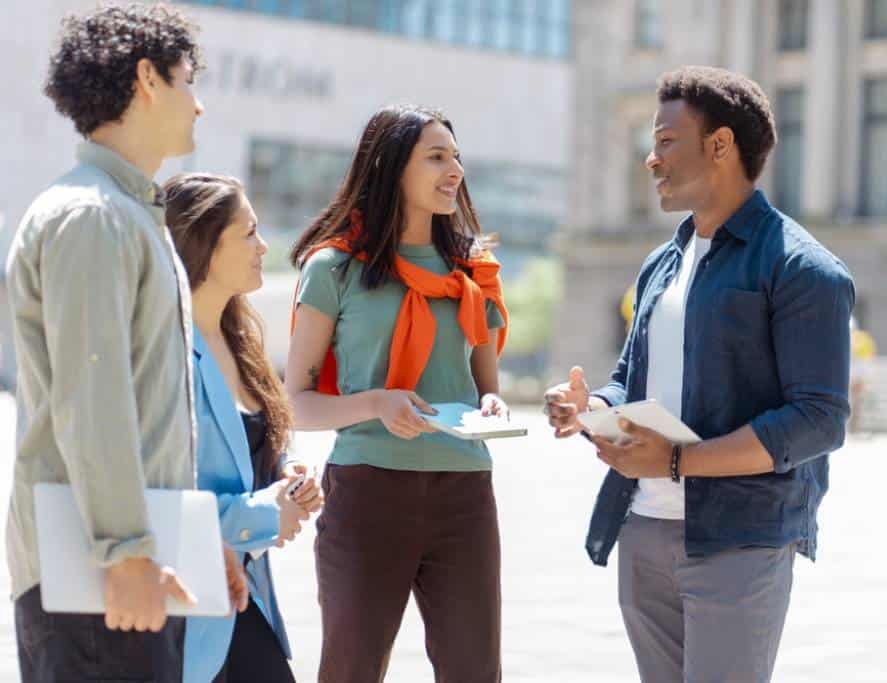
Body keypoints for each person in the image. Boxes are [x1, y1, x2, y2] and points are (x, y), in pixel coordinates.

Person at [545, 66, 855, 682]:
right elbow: (632, 380)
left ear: (719, 146)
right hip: (643, 529)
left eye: (665, 141)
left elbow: (819, 421)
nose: (650, 159)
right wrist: (589, 406)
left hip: (739, 541)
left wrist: (679, 463)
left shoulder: (803, 269)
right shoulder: (663, 263)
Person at [5, 5, 246, 682]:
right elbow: (94, 397)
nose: (199, 106)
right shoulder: (94, 216)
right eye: (188, 81)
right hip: (98, 577)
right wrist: (126, 551)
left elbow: (152, 416)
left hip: (125, 566)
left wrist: (191, 541)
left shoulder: (130, 213)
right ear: (147, 79)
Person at [286, 105, 509, 682]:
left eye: (456, 156)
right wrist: (375, 404)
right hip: (368, 493)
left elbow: (487, 390)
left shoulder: (473, 270)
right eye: (436, 157)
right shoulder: (334, 269)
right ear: (391, 167)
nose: (454, 169)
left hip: (465, 495)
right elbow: (297, 402)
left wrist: (492, 409)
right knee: (351, 669)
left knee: (475, 672)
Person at [165, 173, 324, 682]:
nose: (264, 245)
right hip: (183, 610)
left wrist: (288, 471)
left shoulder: (240, 338)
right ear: (206, 243)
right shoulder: (165, 351)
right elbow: (158, 491)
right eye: (249, 232)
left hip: (247, 596)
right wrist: (263, 511)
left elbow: (257, 441)